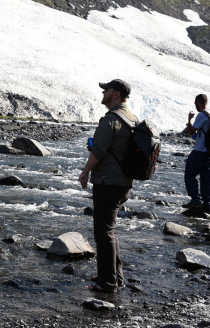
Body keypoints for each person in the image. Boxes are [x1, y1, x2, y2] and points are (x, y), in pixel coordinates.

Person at [78, 79, 138, 293]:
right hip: (123, 183)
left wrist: (85, 172)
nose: (103, 92)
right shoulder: (131, 118)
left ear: (116, 94)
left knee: (103, 232)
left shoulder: (111, 119)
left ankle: (107, 282)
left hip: (107, 181)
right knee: (110, 230)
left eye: (107, 90)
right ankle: (114, 275)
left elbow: (99, 150)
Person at [183, 94, 210, 214]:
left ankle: (196, 200)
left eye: (195, 103)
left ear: (198, 102)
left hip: (200, 150)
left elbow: (191, 131)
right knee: (206, 178)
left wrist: (189, 119)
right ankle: (208, 205)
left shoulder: (202, 115)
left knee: (189, 174)